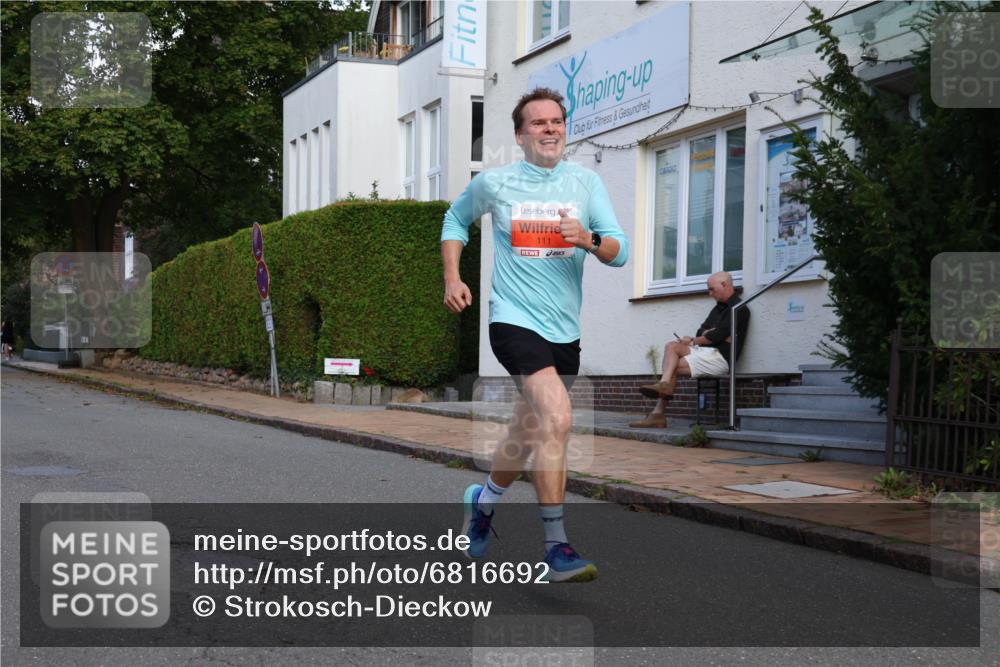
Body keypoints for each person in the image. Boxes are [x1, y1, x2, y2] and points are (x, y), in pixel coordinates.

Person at [441, 88, 628, 582]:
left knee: (528, 430)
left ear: (565, 129)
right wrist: (453, 278)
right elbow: (455, 219)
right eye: (538, 123)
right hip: (513, 320)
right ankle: (556, 547)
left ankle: (482, 502)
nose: (550, 129)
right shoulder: (497, 183)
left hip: (564, 330)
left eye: (557, 121)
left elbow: (620, 250)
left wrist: (586, 239)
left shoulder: (586, 184)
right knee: (560, 418)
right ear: (521, 134)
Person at [630, 271, 750, 428]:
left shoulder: (739, 309)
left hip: (721, 358)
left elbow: (715, 336)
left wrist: (706, 337)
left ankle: (658, 414)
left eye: (712, 289)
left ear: (725, 285)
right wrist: (710, 335)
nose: (709, 293)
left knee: (672, 366)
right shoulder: (717, 309)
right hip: (706, 352)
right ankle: (664, 385)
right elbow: (703, 332)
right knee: (671, 346)